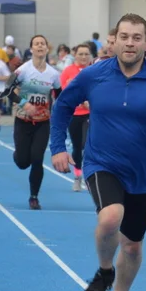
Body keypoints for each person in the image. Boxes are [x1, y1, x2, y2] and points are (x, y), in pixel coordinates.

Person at [50, 13, 146, 291]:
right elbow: (63, 106)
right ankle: (104, 270)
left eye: (137, 38)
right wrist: (58, 146)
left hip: (141, 172)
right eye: (124, 36)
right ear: (115, 40)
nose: (130, 43)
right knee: (111, 218)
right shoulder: (94, 75)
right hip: (101, 162)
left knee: (134, 247)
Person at [7, 35, 61, 210]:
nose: (39, 46)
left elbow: (60, 96)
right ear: (31, 49)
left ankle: (34, 197)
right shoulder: (22, 70)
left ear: (46, 49)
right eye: (36, 44)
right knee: (23, 162)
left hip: (42, 123)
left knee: (37, 158)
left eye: (42, 44)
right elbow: (7, 91)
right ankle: (18, 155)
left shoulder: (53, 74)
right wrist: (24, 103)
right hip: (23, 122)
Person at [59, 42, 94, 191]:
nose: (84, 57)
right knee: (77, 147)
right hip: (74, 114)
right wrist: (80, 100)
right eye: (81, 54)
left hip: (89, 115)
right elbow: (65, 92)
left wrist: (90, 102)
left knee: (87, 145)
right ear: (75, 55)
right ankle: (77, 177)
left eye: (86, 54)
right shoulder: (68, 71)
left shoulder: (94, 71)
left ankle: (88, 177)